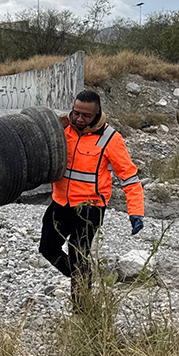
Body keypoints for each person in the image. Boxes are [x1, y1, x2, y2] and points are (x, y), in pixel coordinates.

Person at [39, 90, 145, 308]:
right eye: (76, 113)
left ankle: (81, 307)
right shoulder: (62, 129)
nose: (79, 118)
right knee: (47, 249)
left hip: (89, 209)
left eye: (86, 115)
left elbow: (129, 178)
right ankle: (82, 278)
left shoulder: (111, 140)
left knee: (78, 253)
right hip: (60, 203)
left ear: (97, 114)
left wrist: (136, 211)